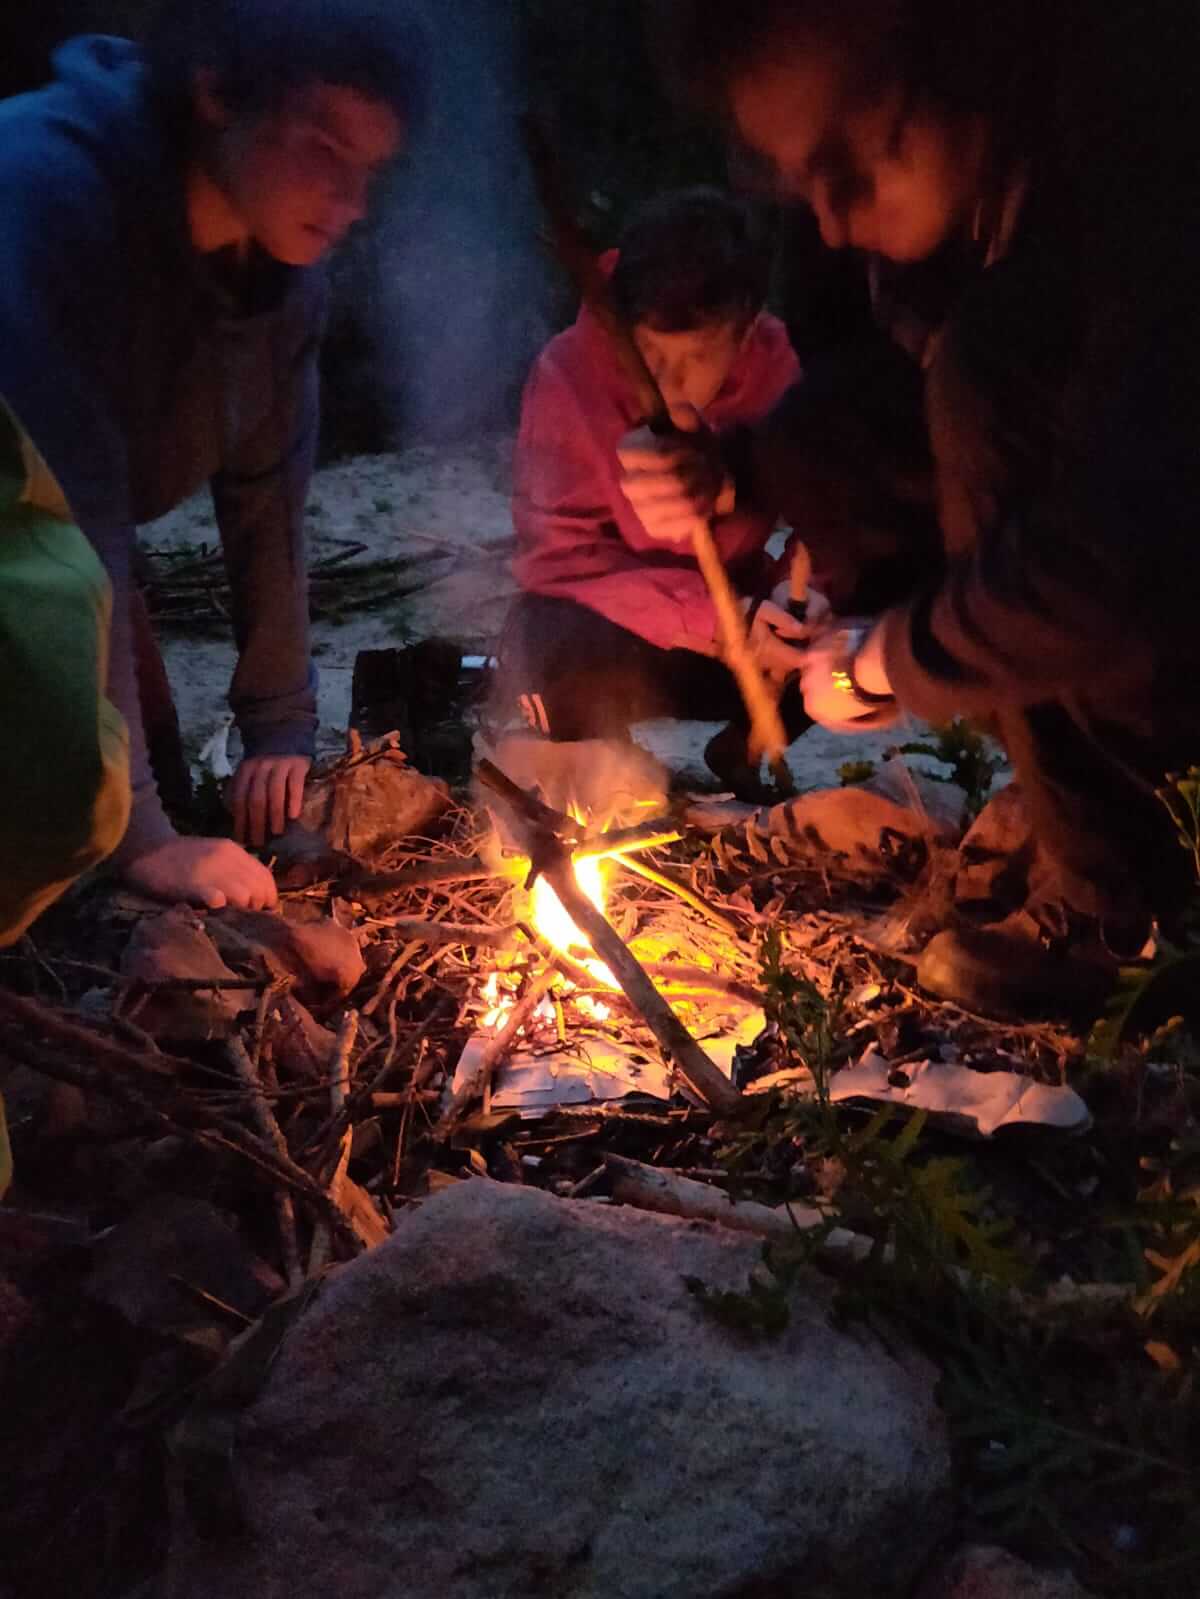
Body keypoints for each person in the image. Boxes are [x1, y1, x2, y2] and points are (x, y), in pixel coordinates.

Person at [622, 0, 1200, 1010]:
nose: (835, 218)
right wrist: (733, 482)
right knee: (816, 437)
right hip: (1098, 536)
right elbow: (866, 427)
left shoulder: (1141, 160)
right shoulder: (941, 214)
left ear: (961, 54)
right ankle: (1051, 758)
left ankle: (1119, 903)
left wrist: (894, 656)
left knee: (981, 374)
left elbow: (1109, 562)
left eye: (851, 159)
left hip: (1152, 573)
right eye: (802, 180)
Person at [0, 0, 424, 911]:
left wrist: (278, 725)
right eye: (323, 147)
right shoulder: (47, 204)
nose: (351, 204)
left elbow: (269, 501)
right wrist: (142, 838)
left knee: (123, 749)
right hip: (18, 531)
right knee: (59, 813)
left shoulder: (280, 286)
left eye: (369, 171)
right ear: (216, 93)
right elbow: (67, 539)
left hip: (66, 546)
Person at [498, 187, 807, 794]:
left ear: (743, 335)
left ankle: (744, 748)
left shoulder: (778, 368)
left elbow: (826, 519)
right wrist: (718, 619)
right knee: (542, 637)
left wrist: (797, 605)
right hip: (634, 631)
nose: (668, 381)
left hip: (744, 634)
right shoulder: (567, 374)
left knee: (838, 629)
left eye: (694, 357)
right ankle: (602, 769)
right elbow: (560, 561)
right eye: (649, 354)